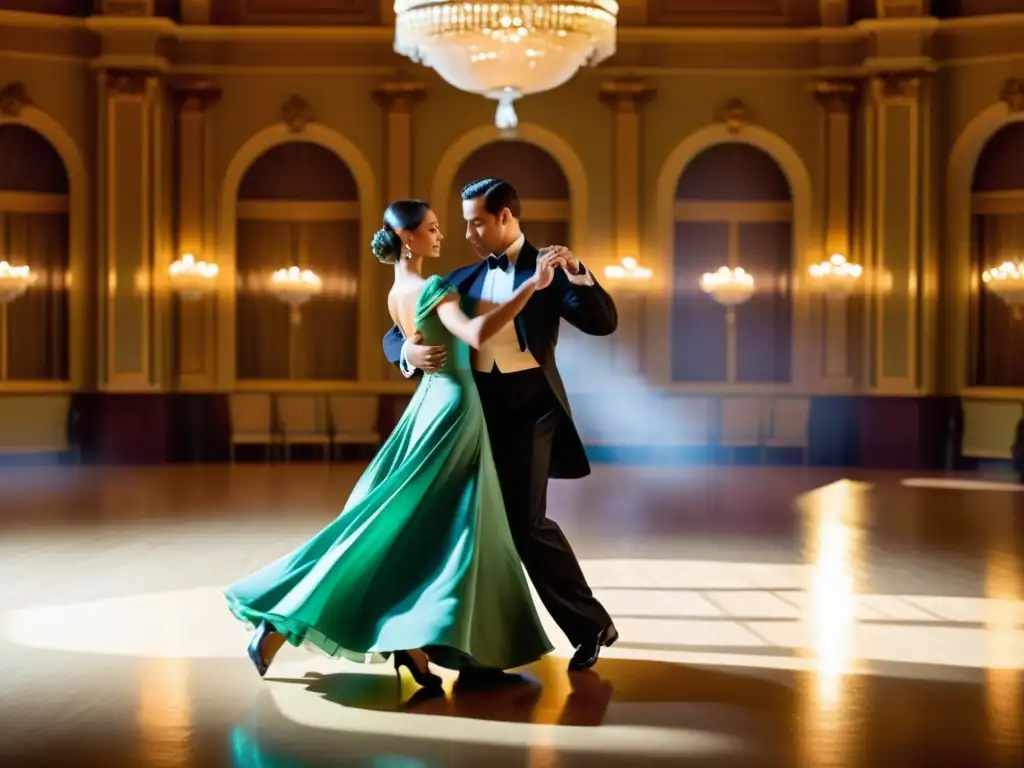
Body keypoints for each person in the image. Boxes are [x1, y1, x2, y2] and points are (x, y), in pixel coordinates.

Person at [225, 199, 559, 689]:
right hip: (454, 408)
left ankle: (412, 646)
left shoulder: (397, 290)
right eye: (432, 228)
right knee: (439, 528)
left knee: (414, 527)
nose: (442, 235)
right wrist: (533, 285)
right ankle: (287, 622)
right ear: (407, 238)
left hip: (428, 403)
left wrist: (410, 347)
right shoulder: (435, 285)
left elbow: (433, 329)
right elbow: (477, 331)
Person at [382, 178, 619, 674]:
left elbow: (602, 322)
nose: (467, 232)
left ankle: (590, 625)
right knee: (472, 524)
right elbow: (398, 330)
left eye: (476, 222)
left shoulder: (548, 270)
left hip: (532, 408)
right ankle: (474, 643)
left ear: (506, 217)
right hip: (473, 409)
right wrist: (405, 352)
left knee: (526, 525)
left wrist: (578, 273)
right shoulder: (461, 278)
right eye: (463, 222)